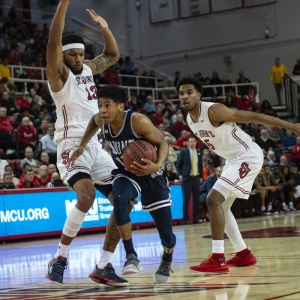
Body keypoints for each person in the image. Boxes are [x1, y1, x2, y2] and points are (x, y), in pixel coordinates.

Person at [176, 76, 300, 273]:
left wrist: (291, 126)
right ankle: (243, 254)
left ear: (198, 95)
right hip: (234, 160)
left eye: (189, 92)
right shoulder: (190, 120)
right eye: (181, 93)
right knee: (222, 208)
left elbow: (253, 116)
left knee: (213, 200)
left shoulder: (214, 110)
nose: (185, 96)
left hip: (247, 155)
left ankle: (218, 257)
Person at [45, 1, 128, 286]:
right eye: (74, 55)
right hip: (71, 145)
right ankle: (60, 257)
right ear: (64, 57)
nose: (79, 59)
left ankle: (104, 265)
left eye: (82, 54)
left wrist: (105, 28)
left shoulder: (89, 69)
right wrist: (64, 4)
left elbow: (113, 55)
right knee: (86, 196)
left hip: (95, 145)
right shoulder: (58, 75)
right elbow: (54, 41)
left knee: (124, 199)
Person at [68, 85, 176, 284]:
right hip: (126, 172)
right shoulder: (101, 119)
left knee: (167, 236)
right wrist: (83, 144)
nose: (102, 110)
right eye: (100, 105)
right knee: (119, 200)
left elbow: (162, 143)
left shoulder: (137, 121)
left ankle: (167, 258)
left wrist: (157, 165)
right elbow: (93, 121)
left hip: (151, 173)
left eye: (107, 105)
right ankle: (131, 256)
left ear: (120, 107)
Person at [176, 136, 203, 224]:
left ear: (196, 142)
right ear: (188, 143)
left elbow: (200, 166)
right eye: (190, 141)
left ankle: (195, 218)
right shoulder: (184, 152)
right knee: (186, 200)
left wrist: (201, 176)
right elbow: (178, 164)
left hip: (196, 177)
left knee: (196, 199)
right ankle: (186, 219)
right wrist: (180, 175)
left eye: (193, 141)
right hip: (187, 178)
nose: (191, 143)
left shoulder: (199, 152)